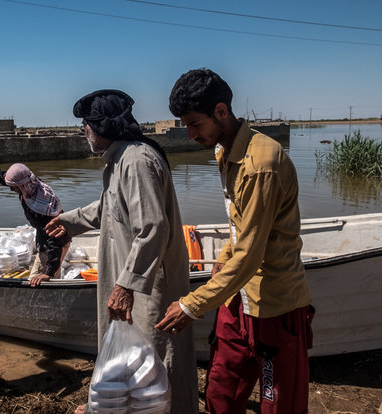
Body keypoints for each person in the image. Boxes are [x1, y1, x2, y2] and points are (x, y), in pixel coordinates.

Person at [157, 68, 314, 413]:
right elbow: (238, 227)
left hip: (274, 303)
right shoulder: (224, 153)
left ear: (221, 111)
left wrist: (190, 304)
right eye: (185, 125)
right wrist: (220, 261)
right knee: (220, 394)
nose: (189, 134)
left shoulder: (261, 164)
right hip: (234, 300)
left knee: (279, 405)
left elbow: (251, 255)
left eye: (195, 124)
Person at [45, 90, 199, 414]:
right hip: (133, 281)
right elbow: (109, 206)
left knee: (156, 362)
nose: (83, 131)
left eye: (85, 125)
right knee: (134, 363)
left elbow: (153, 227)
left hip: (149, 286)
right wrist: (70, 221)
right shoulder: (120, 159)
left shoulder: (136, 160)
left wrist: (126, 285)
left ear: (100, 126)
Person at [0, 164, 71, 287]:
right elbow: (1, 176)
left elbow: (54, 240)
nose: (11, 190)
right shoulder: (29, 184)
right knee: (47, 277)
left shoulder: (43, 207)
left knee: (37, 281)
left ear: (22, 185)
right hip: (45, 240)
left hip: (55, 244)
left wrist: (48, 272)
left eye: (14, 187)